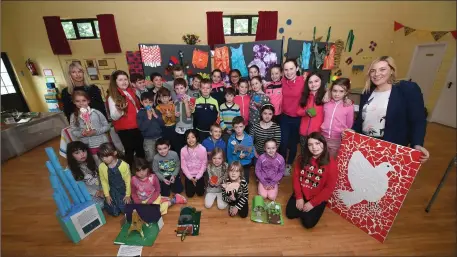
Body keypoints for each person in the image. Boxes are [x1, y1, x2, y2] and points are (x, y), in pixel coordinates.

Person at [353, 56, 429, 163]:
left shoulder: (407, 89)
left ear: (392, 71)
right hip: (365, 143)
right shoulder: (367, 93)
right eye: (373, 71)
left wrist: (417, 144)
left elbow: (418, 120)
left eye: (382, 69)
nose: (376, 74)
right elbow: (361, 119)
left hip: (390, 147)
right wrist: (352, 131)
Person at [286, 132, 337, 229]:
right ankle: (303, 207)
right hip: (303, 192)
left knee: (308, 224)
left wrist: (312, 203)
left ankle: (313, 209)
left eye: (317, 143)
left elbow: (329, 188)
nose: (314, 147)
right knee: (290, 214)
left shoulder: (331, 164)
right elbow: (296, 178)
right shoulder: (301, 158)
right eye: (310, 144)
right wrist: (299, 197)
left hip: (317, 196)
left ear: (323, 144)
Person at [107, 70, 145, 167]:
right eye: (120, 80)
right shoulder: (112, 96)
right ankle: (129, 172)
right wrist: (121, 110)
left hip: (136, 126)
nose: (124, 82)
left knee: (140, 149)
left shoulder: (130, 92)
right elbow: (113, 116)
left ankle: (142, 169)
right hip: (126, 129)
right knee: (130, 151)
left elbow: (136, 108)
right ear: (115, 82)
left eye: (125, 79)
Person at [70, 91, 110, 165]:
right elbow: (73, 131)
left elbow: (107, 126)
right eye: (78, 101)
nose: (81, 103)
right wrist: (83, 133)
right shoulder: (74, 116)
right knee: (97, 164)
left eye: (84, 100)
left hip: (102, 143)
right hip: (88, 146)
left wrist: (96, 132)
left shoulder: (96, 113)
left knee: (108, 162)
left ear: (88, 101)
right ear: (74, 102)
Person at [279, 59, 305, 176]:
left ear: (297, 68)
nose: (289, 72)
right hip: (284, 116)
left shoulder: (303, 81)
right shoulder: (283, 81)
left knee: (293, 143)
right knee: (283, 142)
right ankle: (282, 162)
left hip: (297, 118)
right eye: (286, 70)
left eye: (291, 69)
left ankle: (289, 164)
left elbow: (315, 93)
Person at [321, 78, 354, 157]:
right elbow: (322, 118)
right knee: (322, 160)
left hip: (337, 140)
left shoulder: (349, 106)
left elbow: (349, 125)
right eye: (334, 91)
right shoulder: (326, 103)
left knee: (332, 161)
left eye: (341, 91)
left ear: (346, 92)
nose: (337, 94)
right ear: (331, 91)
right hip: (323, 137)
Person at [66, 141, 104, 209]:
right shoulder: (70, 169)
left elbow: (103, 175)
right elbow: (78, 185)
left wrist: (102, 189)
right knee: (99, 205)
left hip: (101, 187)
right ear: (71, 155)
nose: (82, 154)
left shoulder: (94, 158)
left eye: (84, 151)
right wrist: (96, 192)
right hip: (88, 193)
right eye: (77, 153)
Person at [98, 143, 131, 217]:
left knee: (126, 210)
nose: (104, 159)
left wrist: (128, 195)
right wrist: (107, 195)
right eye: (102, 157)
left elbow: (128, 181)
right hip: (112, 190)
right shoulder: (101, 167)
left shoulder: (124, 165)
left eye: (106, 156)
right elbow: (104, 181)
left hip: (123, 190)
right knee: (114, 212)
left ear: (114, 153)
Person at [297, 72, 325, 156]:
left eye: (316, 81)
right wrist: (306, 112)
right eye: (310, 82)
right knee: (304, 154)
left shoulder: (326, 96)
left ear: (321, 82)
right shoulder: (305, 96)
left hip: (317, 133)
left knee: (315, 155)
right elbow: (298, 111)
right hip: (304, 133)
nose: (313, 84)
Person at [136, 91, 164, 162]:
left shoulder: (157, 111)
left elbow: (162, 124)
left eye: (150, 102)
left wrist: (156, 116)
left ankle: (161, 171)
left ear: (153, 102)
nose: (148, 104)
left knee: (161, 156)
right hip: (148, 140)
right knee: (151, 158)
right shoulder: (140, 113)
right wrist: (149, 118)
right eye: (146, 102)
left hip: (159, 138)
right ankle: (153, 171)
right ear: (142, 102)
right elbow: (141, 128)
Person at [227, 116, 255, 184]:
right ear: (233, 128)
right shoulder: (231, 139)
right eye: (236, 127)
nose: (238, 129)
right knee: (233, 182)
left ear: (244, 126)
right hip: (234, 165)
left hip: (245, 164)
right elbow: (229, 154)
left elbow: (252, 153)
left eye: (240, 126)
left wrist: (245, 155)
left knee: (244, 183)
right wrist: (231, 165)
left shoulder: (249, 139)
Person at [181, 129, 208, 198]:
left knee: (200, 193)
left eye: (193, 137)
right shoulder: (183, 150)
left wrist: (198, 176)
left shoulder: (203, 149)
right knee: (190, 195)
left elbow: (204, 164)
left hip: (199, 175)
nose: (190, 140)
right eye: (188, 138)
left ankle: (200, 184)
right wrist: (190, 177)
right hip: (189, 175)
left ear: (197, 138)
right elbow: (183, 166)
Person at [155, 87, 178, 151]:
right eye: (162, 97)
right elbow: (160, 121)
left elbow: (174, 119)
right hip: (164, 129)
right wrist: (166, 116)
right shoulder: (158, 107)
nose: (164, 99)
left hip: (173, 127)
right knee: (166, 144)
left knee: (174, 144)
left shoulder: (173, 105)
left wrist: (172, 116)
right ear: (159, 98)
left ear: (170, 97)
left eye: (166, 97)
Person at [174, 78, 193, 152]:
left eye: (181, 88)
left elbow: (189, 115)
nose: (179, 90)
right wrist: (175, 114)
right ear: (174, 90)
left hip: (188, 128)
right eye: (177, 88)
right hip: (178, 129)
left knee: (189, 148)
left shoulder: (190, 99)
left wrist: (185, 103)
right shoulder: (175, 101)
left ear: (186, 88)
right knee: (180, 149)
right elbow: (175, 115)